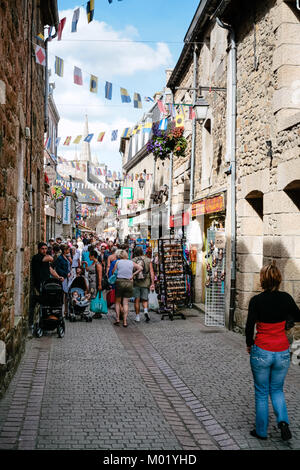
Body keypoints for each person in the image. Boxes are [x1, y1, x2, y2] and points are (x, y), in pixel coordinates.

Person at [245, 261, 300, 441]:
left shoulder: (256, 300)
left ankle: (261, 431)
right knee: (277, 389)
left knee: (261, 392)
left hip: (262, 349)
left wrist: (249, 343)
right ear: (278, 279)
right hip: (282, 351)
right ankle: (283, 422)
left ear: (262, 280)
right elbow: (298, 316)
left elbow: (249, 326)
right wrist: (287, 320)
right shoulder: (286, 298)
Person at [29, 242, 63, 328]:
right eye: (42, 249)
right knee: (37, 303)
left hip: (47, 285)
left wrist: (58, 277)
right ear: (38, 249)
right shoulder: (37, 257)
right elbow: (50, 258)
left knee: (51, 302)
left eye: (45, 249)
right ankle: (31, 323)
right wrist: (49, 255)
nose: (44, 250)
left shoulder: (45, 258)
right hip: (39, 285)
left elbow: (51, 269)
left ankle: (50, 319)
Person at [111, 250, 142, 327]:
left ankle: (118, 319)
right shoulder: (131, 262)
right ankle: (125, 321)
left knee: (117, 302)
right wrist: (133, 274)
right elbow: (140, 268)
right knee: (125, 303)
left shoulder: (117, 262)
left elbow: (113, 272)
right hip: (129, 283)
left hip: (119, 282)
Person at [132, 246, 155, 323]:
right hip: (146, 282)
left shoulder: (133, 260)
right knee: (145, 299)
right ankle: (145, 311)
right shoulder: (148, 260)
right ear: (142, 251)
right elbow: (152, 273)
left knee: (137, 300)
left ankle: (137, 317)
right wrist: (152, 283)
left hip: (136, 282)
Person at [53, 244, 72, 317]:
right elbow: (58, 268)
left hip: (67, 277)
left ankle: (66, 311)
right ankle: (62, 311)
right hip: (63, 277)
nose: (69, 251)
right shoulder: (60, 258)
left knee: (67, 295)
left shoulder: (66, 257)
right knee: (63, 294)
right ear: (64, 250)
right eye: (68, 249)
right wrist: (65, 274)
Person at [85, 249, 103, 318]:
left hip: (95, 283)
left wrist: (100, 284)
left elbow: (100, 275)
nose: (89, 257)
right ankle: (96, 311)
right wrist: (86, 264)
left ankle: (98, 312)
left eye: (90, 256)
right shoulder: (92, 263)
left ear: (93, 256)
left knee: (95, 297)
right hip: (91, 283)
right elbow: (88, 269)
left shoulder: (98, 264)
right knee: (93, 296)